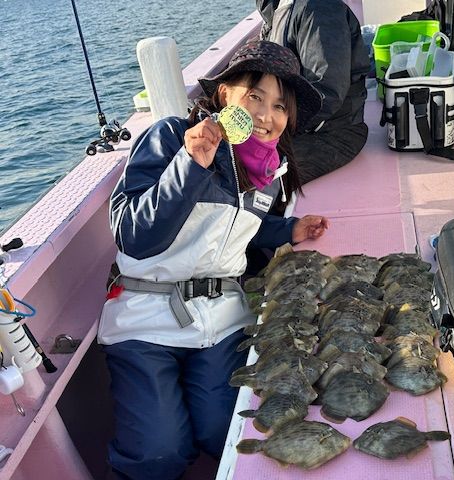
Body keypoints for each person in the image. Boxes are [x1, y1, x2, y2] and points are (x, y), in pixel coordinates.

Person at [97, 40, 328, 480]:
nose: (266, 116)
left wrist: (288, 230)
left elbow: (238, 226)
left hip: (220, 319)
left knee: (225, 430)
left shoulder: (269, 169)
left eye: (280, 106)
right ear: (224, 94)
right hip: (145, 319)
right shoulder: (171, 137)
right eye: (254, 96)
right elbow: (133, 236)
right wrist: (190, 166)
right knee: (158, 453)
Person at [257, 0, 371, 184]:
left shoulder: (319, 8)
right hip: (288, 125)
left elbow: (326, 94)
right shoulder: (276, 7)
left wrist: (269, 125)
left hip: (333, 133)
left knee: (250, 173)